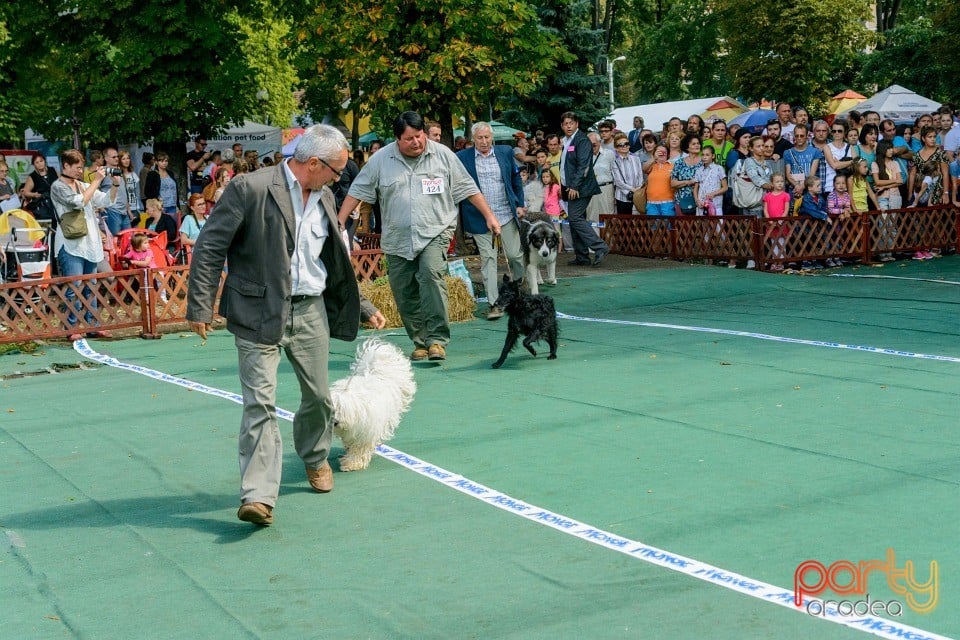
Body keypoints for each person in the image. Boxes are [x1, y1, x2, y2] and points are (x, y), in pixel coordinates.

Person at [186, 124, 385, 527]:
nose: (339, 178)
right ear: (314, 163)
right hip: (258, 311)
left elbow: (333, 261)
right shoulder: (250, 188)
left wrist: (362, 305)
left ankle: (314, 457)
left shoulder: (326, 196)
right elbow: (210, 245)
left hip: (311, 310)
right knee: (259, 402)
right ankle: (258, 496)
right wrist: (200, 305)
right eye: (336, 170)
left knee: (318, 397)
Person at [338, 111, 500, 361]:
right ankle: (420, 340)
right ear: (397, 139)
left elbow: (467, 187)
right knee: (404, 290)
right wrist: (339, 222)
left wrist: (489, 216)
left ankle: (436, 340)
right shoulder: (381, 160)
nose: (416, 142)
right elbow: (357, 190)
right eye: (409, 138)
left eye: (419, 135)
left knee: (431, 275)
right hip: (396, 237)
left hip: (435, 231)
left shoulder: (443, 155)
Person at [455, 122, 526, 320]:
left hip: (506, 214)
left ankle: (519, 291)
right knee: (488, 259)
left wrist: (519, 204)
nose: (484, 141)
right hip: (480, 219)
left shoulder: (504, 152)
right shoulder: (462, 158)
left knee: (515, 256)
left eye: (487, 137)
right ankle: (494, 304)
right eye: (480, 138)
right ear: (473, 139)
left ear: (492, 137)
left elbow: (515, 179)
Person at [48, 149, 118, 339]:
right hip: (71, 244)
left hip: (89, 242)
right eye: (77, 168)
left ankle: (92, 326)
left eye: (81, 168)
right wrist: (96, 181)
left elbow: (104, 201)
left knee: (91, 286)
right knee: (74, 287)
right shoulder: (57, 186)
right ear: (66, 166)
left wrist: (114, 185)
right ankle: (72, 328)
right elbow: (77, 202)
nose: (80, 171)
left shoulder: (81, 184)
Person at [559, 111, 608, 266]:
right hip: (570, 187)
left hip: (581, 187)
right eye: (565, 123)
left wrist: (574, 186)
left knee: (574, 218)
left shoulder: (582, 140)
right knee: (575, 220)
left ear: (577, 124)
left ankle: (600, 247)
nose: (568, 126)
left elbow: (584, 166)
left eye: (571, 123)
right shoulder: (566, 141)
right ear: (562, 126)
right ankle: (582, 256)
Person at [586, 131, 615, 231]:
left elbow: (615, 172)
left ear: (599, 142)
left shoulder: (609, 154)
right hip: (590, 189)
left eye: (594, 144)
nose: (591, 147)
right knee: (591, 217)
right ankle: (594, 245)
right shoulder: (584, 156)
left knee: (607, 216)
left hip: (606, 188)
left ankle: (607, 244)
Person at [783, 124, 821, 199]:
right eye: (797, 136)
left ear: (807, 136)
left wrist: (801, 187)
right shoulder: (787, 153)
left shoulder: (815, 151)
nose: (799, 138)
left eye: (802, 135)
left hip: (809, 189)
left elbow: (812, 174)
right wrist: (797, 186)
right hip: (794, 189)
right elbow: (788, 175)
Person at [762, 174, 791, 270]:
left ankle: (781, 263)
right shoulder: (767, 196)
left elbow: (786, 209)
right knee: (773, 242)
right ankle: (774, 262)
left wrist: (781, 220)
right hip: (771, 223)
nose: (780, 183)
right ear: (772, 183)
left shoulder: (785, 195)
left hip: (781, 223)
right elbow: (765, 210)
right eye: (777, 181)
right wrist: (769, 220)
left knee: (781, 242)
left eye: (781, 181)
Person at [99, 147, 130, 235]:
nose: (116, 159)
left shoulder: (119, 170)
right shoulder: (102, 171)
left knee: (128, 240)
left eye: (117, 157)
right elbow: (95, 188)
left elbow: (124, 190)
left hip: (124, 211)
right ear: (106, 158)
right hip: (112, 210)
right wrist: (100, 207)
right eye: (114, 157)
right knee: (115, 240)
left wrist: (128, 210)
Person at [611, 133, 644, 214]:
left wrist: (638, 190)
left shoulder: (636, 159)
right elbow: (618, 182)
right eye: (621, 145)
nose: (624, 146)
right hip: (622, 197)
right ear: (616, 148)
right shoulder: (614, 162)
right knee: (624, 224)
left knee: (638, 223)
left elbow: (640, 176)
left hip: (638, 196)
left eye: (626, 144)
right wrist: (633, 190)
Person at [22, 155, 59, 225]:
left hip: (57, 201)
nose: (40, 164)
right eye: (37, 162)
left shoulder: (52, 170)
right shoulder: (32, 176)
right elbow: (25, 192)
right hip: (43, 204)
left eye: (41, 161)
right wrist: (34, 194)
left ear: (45, 161)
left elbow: (61, 182)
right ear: (34, 164)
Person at [670, 134, 702, 215]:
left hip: (701, 201)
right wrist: (688, 182)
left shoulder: (704, 162)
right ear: (687, 147)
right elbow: (673, 183)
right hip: (682, 202)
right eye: (693, 144)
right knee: (683, 226)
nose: (697, 145)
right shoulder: (679, 162)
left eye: (698, 143)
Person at [693, 145, 727, 216]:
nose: (704, 157)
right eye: (702, 155)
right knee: (703, 226)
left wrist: (713, 194)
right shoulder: (699, 170)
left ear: (713, 156)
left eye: (707, 155)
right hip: (701, 204)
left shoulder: (719, 168)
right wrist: (697, 201)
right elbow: (695, 188)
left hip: (715, 204)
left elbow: (725, 187)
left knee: (717, 225)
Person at [144, 152, 180, 216]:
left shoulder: (170, 173)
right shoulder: (152, 174)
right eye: (161, 161)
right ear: (156, 162)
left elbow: (175, 190)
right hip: (161, 206)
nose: (164, 163)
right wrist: (155, 203)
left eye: (166, 161)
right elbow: (147, 191)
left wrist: (178, 206)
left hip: (172, 205)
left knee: (172, 224)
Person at [119, 151, 143, 227]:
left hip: (135, 207)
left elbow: (137, 191)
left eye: (128, 158)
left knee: (136, 233)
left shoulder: (133, 174)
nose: (126, 161)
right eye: (123, 159)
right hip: (124, 208)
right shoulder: (119, 175)